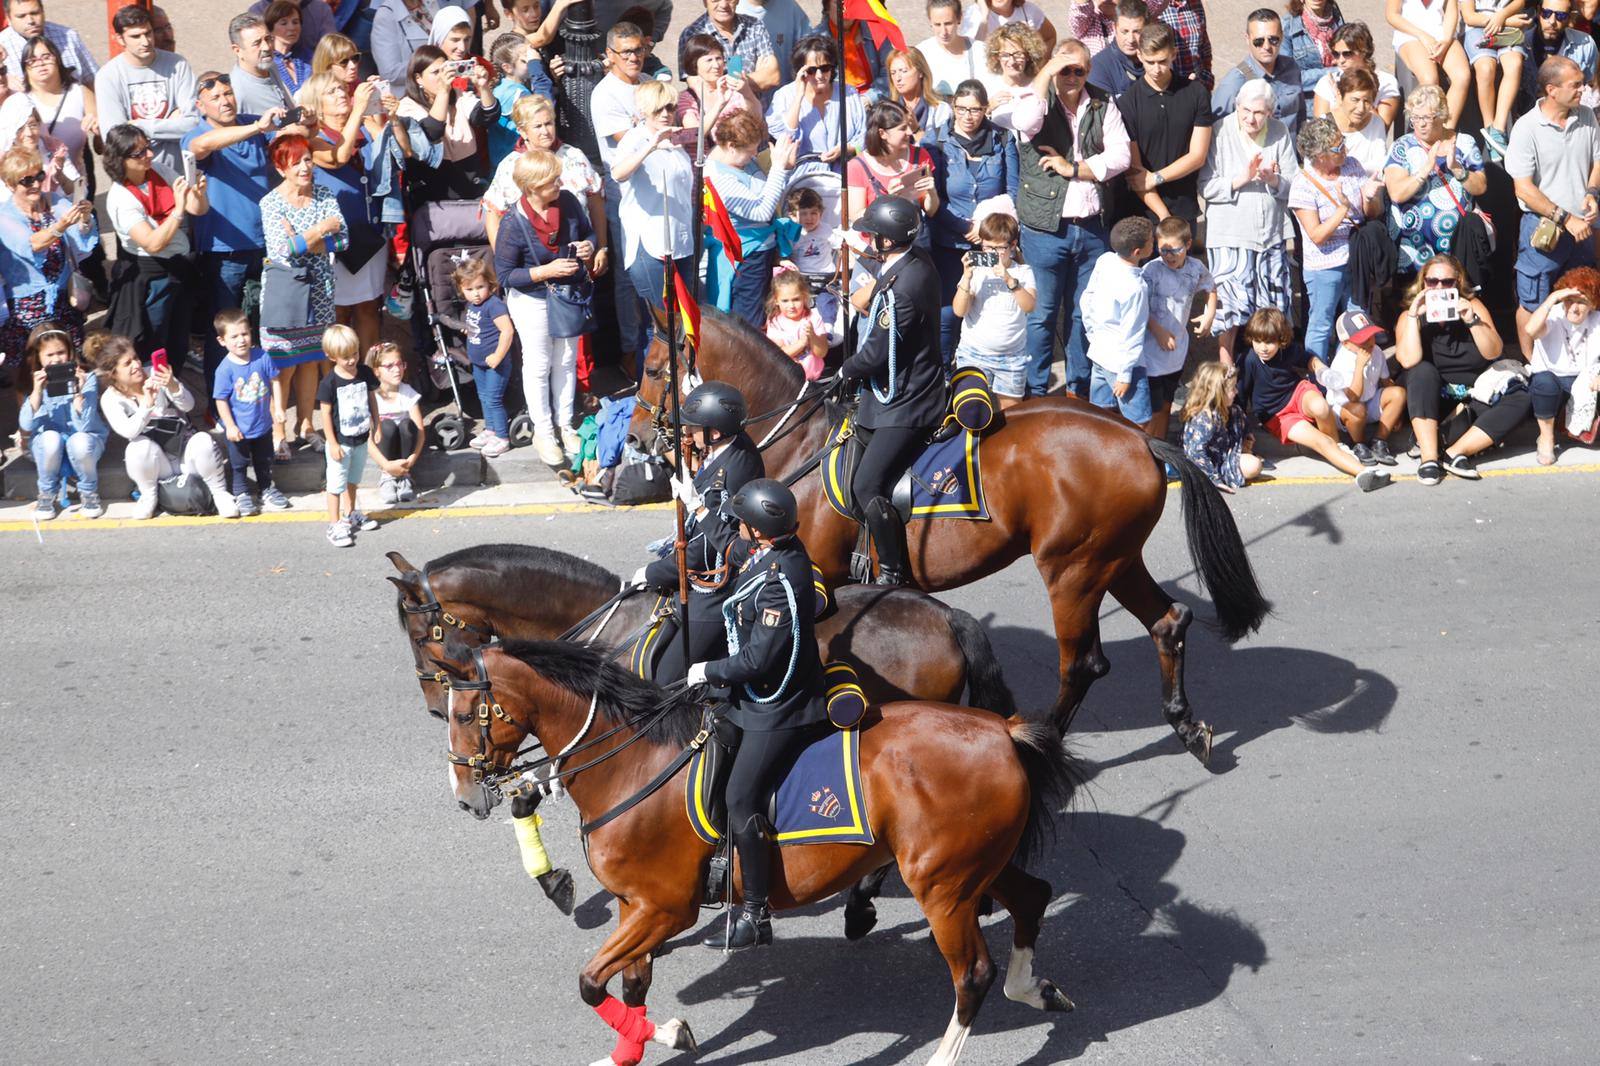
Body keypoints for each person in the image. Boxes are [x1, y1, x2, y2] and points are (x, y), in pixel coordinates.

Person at [685, 478, 826, 951]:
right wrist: (700, 512)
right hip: (751, 696)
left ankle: (756, 912)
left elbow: (758, 661)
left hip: (778, 705)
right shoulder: (771, 551)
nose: (738, 528)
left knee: (742, 796)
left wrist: (707, 669)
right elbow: (735, 546)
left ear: (760, 531)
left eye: (743, 522)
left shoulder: (778, 584)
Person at [1014, 40, 1131, 397]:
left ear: (1088, 71)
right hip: (1046, 229)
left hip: (1092, 226)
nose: (1071, 77)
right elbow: (1024, 123)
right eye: (1065, 69)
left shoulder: (1101, 101)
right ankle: (1035, 391)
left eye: (1078, 70)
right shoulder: (1035, 98)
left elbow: (1121, 155)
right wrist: (1046, 73)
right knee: (1042, 314)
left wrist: (1076, 168)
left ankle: (1077, 390)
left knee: (1084, 313)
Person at [840, 196, 946, 586]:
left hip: (908, 400)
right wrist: (862, 253)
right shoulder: (917, 260)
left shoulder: (903, 290)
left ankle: (892, 571)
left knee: (866, 484)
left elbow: (875, 354)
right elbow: (886, 273)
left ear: (888, 241)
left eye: (874, 235)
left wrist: (843, 371)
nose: (871, 239)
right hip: (898, 389)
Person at [632, 381, 765, 683]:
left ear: (714, 433)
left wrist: (654, 572)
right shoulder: (726, 448)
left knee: (665, 679)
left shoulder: (733, 471)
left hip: (717, 587)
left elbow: (708, 550)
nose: (686, 434)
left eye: (692, 428)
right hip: (705, 570)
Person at [494, 148, 597, 464]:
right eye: (552, 181)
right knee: (539, 365)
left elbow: (589, 231)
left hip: (566, 296)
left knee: (565, 360)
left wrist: (588, 246)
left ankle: (565, 424)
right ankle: (544, 430)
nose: (559, 183)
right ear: (532, 187)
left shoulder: (565, 202)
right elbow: (505, 275)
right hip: (532, 299)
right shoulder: (513, 222)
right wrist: (546, 271)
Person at [1394, 254, 1531, 482]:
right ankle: (1428, 458)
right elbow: (1407, 360)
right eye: (1432, 281)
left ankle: (1455, 452)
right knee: (1420, 371)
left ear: (1457, 283)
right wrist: (1412, 315)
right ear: (1423, 282)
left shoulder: (1473, 306)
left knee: (1521, 395)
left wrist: (1471, 320)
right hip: (1433, 400)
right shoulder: (1411, 314)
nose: (1439, 287)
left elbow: (1494, 351)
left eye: (1447, 282)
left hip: (1474, 395)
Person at [183, 72, 280, 392]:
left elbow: (290, 134)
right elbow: (201, 146)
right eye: (216, 97)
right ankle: (218, 400)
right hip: (224, 252)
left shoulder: (254, 122)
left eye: (228, 94)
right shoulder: (196, 132)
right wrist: (257, 128)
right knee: (225, 332)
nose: (225, 101)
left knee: (264, 326)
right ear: (200, 105)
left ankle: (260, 390)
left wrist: (297, 120)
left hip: (266, 243)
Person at [1235, 306, 1391, 489]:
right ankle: (1363, 473)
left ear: (1281, 340)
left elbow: (1307, 359)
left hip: (1297, 393)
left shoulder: (1288, 350)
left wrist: (1319, 367)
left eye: (1269, 342)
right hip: (1277, 414)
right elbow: (1240, 400)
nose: (1263, 347)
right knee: (1320, 441)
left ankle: (1338, 446)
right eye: (1257, 341)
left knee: (1321, 407)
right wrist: (1243, 434)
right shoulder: (1248, 360)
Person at [1199, 77, 1298, 365]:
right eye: (1246, 111)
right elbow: (1204, 186)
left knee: (1272, 312)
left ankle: (1270, 377)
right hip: (1230, 235)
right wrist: (1240, 179)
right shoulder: (1220, 131)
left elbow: (1294, 185)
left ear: (1270, 113)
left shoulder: (1279, 132)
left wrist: (1273, 180)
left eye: (1259, 113)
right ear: (1236, 106)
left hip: (1271, 235)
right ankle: (1227, 374)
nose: (1251, 119)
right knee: (1229, 313)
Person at [1506, 56, 1600, 358]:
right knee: (1532, 302)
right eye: (1575, 86)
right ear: (1551, 90)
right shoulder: (1526, 128)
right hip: (1543, 229)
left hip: (1584, 228)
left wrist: (1591, 192)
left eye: (1582, 84)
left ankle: (1574, 362)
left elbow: (1597, 160)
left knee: (1581, 298)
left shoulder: (1587, 116)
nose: (1582, 90)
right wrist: (1565, 217)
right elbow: (1524, 189)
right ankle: (1532, 365)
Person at [305, 71, 403, 358]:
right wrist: (358, 108)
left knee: (369, 306)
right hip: (337, 241)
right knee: (338, 312)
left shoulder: (365, 127)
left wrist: (388, 117)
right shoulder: (314, 138)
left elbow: (397, 156)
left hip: (370, 235)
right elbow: (339, 158)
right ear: (317, 103)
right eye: (331, 92)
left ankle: (370, 374)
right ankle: (338, 379)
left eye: (341, 90)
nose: (341, 95)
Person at [260, 133, 346, 457]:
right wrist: (321, 229)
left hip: (321, 290)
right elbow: (283, 251)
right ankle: (278, 429)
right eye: (296, 163)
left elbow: (345, 238)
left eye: (308, 160)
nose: (305, 167)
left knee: (311, 361)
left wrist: (305, 240)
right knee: (283, 364)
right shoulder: (270, 203)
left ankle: (306, 425)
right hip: (286, 291)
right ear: (281, 168)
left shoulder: (324, 193)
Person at [95, 332, 239, 520]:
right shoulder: (110, 398)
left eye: (136, 358)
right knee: (136, 448)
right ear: (113, 373)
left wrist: (172, 385)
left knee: (203, 440)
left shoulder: (155, 373)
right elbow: (128, 430)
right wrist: (146, 405)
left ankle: (220, 494)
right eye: (127, 363)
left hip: (184, 453)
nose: (137, 365)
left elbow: (189, 405)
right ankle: (148, 497)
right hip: (159, 464)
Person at [103, 124, 208, 370]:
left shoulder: (158, 170)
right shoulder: (120, 198)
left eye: (147, 148)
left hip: (178, 266)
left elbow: (198, 209)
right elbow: (153, 242)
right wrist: (179, 210)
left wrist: (198, 193)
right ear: (121, 160)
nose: (149, 155)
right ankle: (154, 400)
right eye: (139, 153)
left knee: (178, 338)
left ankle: (177, 391)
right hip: (151, 275)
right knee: (153, 341)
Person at [928, 79, 1018, 360]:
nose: (968, 116)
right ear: (953, 107)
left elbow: (1012, 191)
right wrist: (965, 226)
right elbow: (933, 198)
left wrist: (989, 231)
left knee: (990, 309)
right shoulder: (936, 141)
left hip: (993, 243)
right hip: (950, 242)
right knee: (948, 313)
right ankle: (943, 372)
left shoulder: (1004, 139)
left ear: (985, 109)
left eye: (975, 110)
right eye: (962, 109)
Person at [1288, 116, 1383, 361]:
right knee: (1322, 323)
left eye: (1343, 142)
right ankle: (1317, 381)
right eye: (1338, 147)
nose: (1345, 150)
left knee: (1358, 316)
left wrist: (1370, 198)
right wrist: (1343, 209)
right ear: (1320, 155)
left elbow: (1371, 215)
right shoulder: (1302, 186)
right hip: (1324, 268)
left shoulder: (1352, 166)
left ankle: (1359, 373)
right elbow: (1317, 235)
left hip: (1355, 260)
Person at [591, 22, 653, 365]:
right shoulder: (605, 94)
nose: (634, 57)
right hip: (623, 189)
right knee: (628, 274)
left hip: (654, 187)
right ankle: (630, 349)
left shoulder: (647, 84)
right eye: (626, 51)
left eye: (639, 49)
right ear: (610, 56)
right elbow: (625, 141)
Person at [0, 145, 95, 361]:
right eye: (26, 180)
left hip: (64, 300)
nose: (36, 184)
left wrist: (85, 218)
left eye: (39, 176)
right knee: (32, 371)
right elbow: (31, 244)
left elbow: (81, 235)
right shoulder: (4, 216)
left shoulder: (53, 200)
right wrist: (60, 226)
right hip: (27, 308)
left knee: (72, 362)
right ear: (9, 184)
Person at [1383, 84, 1489, 275]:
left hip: (1458, 246)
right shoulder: (1403, 146)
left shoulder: (1464, 142)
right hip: (1414, 248)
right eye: (1415, 117)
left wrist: (1457, 168)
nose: (1420, 124)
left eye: (1426, 118)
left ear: (1441, 116)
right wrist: (1425, 169)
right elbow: (1397, 194)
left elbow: (1480, 187)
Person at [1118, 21, 1215, 226]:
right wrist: (1164, 216)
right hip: (1142, 212)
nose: (1156, 69)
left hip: (1184, 209)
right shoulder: (1127, 103)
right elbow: (1136, 173)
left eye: (1162, 61)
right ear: (1140, 56)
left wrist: (1156, 177)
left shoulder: (1196, 93)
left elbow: (1197, 156)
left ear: (1174, 54)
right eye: (1150, 62)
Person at [705, 113, 798, 327]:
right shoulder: (719, 177)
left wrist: (785, 163)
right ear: (730, 146)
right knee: (747, 325)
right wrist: (778, 169)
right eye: (749, 151)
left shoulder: (741, 162)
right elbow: (761, 211)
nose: (755, 154)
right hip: (745, 259)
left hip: (763, 251)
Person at [484, 94, 605, 257]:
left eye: (549, 123)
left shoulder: (574, 156)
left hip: (580, 258)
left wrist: (601, 248)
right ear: (522, 131)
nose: (545, 131)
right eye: (538, 126)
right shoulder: (510, 166)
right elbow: (493, 214)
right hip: (531, 263)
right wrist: (504, 260)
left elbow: (595, 203)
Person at [614, 81, 694, 325]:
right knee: (660, 325)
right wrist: (650, 146)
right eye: (658, 109)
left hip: (680, 241)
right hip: (650, 243)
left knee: (686, 319)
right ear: (644, 111)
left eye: (669, 107)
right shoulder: (634, 139)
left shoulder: (675, 140)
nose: (665, 114)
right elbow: (618, 173)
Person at [96, 5, 199, 178]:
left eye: (148, 33)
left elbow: (194, 124)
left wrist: (139, 125)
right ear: (120, 39)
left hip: (180, 174)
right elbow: (116, 139)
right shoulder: (108, 76)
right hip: (138, 180)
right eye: (135, 36)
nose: (145, 41)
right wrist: (170, 123)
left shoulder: (178, 64)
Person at [18, 321, 105, 519]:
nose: (57, 359)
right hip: (48, 447)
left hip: (85, 443)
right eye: (50, 355)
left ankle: (89, 492)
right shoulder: (34, 381)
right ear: (38, 357)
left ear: (70, 352)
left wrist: (78, 392)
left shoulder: (87, 378)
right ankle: (47, 493)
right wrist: (37, 392)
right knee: (50, 437)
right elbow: (26, 425)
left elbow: (85, 426)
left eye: (61, 352)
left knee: (79, 440)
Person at [212, 308, 291, 517]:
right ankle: (241, 493)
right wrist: (230, 425)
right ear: (222, 341)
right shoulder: (224, 369)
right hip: (239, 428)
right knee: (238, 464)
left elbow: (275, 381)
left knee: (264, 459)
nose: (241, 340)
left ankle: (266, 488)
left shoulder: (262, 357)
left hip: (263, 424)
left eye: (245, 334)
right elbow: (220, 400)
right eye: (234, 336)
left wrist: (279, 408)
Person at [1141, 215, 1215, 439]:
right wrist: (1157, 330)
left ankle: (1160, 448)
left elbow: (1210, 287)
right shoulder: (1151, 271)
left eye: (1175, 250)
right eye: (1163, 250)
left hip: (1177, 349)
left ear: (1188, 245)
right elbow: (1140, 307)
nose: (1169, 256)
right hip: (1151, 351)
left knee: (1166, 403)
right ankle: (1147, 450)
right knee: (1151, 408)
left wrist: (1208, 314)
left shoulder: (1196, 267)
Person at [952, 209, 1037, 404]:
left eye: (998, 248)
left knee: (1012, 419)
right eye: (987, 247)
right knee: (969, 412)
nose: (991, 253)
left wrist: (1009, 279)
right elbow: (959, 311)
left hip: (1012, 358)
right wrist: (966, 276)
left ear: (1013, 245)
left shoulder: (1023, 272)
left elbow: (1029, 306)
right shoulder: (977, 272)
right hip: (972, 353)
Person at [396, 43, 500, 201]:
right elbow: (431, 132)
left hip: (470, 183)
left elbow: (487, 116)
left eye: (444, 70)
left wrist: (483, 87)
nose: (441, 77)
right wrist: (443, 91)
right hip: (434, 193)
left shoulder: (458, 95)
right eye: (435, 72)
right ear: (418, 78)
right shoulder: (406, 106)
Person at [1082, 216, 1154, 424]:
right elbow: (1133, 333)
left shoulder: (1105, 260)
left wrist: (1093, 336)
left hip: (1099, 353)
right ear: (1137, 252)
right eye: (1151, 241)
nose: (1154, 243)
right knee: (1139, 423)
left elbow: (1086, 300)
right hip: (1124, 364)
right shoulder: (1136, 288)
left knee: (1101, 418)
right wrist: (1124, 376)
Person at [1523, 267, 1600, 463]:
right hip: (1553, 378)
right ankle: (1546, 438)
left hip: (1583, 380)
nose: (1574, 308)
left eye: (1582, 302)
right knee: (1544, 383)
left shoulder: (1597, 320)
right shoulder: (1554, 313)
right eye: (1570, 300)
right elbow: (1530, 330)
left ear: (1593, 304)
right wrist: (1552, 300)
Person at [317, 323, 382, 547]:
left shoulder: (364, 372)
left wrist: (377, 425)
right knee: (335, 485)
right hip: (341, 443)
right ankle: (334, 524)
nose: (352, 360)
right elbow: (325, 414)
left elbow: (372, 399)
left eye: (355, 353)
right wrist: (332, 442)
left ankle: (351, 513)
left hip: (361, 437)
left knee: (353, 480)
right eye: (345, 357)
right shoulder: (329, 383)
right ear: (331, 356)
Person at [1322, 308, 1406, 464]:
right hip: (1345, 409)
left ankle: (1379, 441)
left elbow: (1386, 382)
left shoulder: (1377, 352)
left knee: (1398, 393)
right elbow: (1353, 397)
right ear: (1346, 344)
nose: (1369, 342)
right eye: (1362, 339)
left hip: (1370, 401)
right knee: (1358, 409)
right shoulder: (1342, 362)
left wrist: (1396, 414)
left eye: (1371, 336)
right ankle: (1359, 444)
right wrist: (1359, 366)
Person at [847, 101, 941, 237]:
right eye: (902, 128)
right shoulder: (857, 166)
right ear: (882, 133)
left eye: (908, 126)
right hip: (877, 247)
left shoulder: (920, 156)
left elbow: (931, 211)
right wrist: (887, 200)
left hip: (914, 244)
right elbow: (856, 217)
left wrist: (932, 193)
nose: (909, 132)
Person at [455, 255, 515, 458]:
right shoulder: (472, 306)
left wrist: (498, 356)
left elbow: (507, 331)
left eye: (480, 287)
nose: (476, 294)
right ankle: (490, 430)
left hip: (494, 364)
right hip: (479, 363)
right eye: (469, 290)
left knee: (494, 399)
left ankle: (502, 437)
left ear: (489, 284)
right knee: (483, 397)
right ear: (462, 290)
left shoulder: (494, 305)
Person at [18, 35, 98, 187]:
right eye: (32, 60)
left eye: (46, 56)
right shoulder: (21, 102)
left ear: (58, 59)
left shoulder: (79, 92)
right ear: (25, 68)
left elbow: (101, 147)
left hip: (73, 185)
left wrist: (99, 130)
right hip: (34, 187)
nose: (40, 63)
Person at [1212, 8, 1304, 135]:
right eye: (1258, 41)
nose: (1266, 47)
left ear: (1282, 37)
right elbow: (1217, 134)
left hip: (1291, 152)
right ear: (1247, 39)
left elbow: (1301, 117)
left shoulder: (1291, 69)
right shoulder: (1233, 84)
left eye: (1273, 39)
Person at [1461, 0, 1532, 159]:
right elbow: (1469, 16)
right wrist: (1500, 20)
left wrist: (1503, 17)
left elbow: (1519, 3)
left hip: (1508, 27)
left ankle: (1498, 129)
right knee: (1486, 68)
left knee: (1514, 64)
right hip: (1479, 27)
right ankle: (1489, 126)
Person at [1387, 0, 1472, 131]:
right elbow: (1392, 15)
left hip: (1440, 32)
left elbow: (1451, 10)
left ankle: (1445, 131)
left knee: (1462, 76)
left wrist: (1447, 39)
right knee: (1429, 79)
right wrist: (1422, 35)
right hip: (1410, 32)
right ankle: (1428, 131)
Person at [1180, 360, 1263, 491]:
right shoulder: (1205, 419)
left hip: (1225, 453)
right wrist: (1214, 480)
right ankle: (1213, 477)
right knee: (1254, 465)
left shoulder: (1232, 409)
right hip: (1209, 464)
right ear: (1217, 392)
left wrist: (1247, 436)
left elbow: (1242, 423)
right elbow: (1195, 452)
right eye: (1232, 388)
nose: (1236, 391)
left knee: (1254, 463)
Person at [678, 0, 781, 98]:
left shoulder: (755, 27)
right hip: (715, 113)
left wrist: (717, 83)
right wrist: (748, 81)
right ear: (705, 2)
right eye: (716, 0)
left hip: (753, 113)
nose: (723, 5)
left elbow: (773, 77)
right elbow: (697, 86)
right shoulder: (691, 34)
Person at [676, 32, 762, 147]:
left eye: (718, 58)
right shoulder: (687, 98)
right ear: (694, 65)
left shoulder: (734, 92)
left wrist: (746, 92)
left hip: (735, 158)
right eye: (709, 60)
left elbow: (757, 118)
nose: (716, 65)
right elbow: (693, 135)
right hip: (704, 162)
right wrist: (720, 104)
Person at [1310, 22, 1402, 128]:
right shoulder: (1327, 83)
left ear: (1363, 51)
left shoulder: (1386, 82)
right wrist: (1341, 103)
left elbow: (1382, 129)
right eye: (1336, 54)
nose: (1340, 60)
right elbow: (1321, 131)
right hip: (1336, 143)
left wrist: (1366, 97)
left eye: (1347, 54)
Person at [368, 340, 427, 503]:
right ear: (376, 371)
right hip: (384, 451)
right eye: (389, 366)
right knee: (386, 426)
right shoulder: (372, 396)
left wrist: (411, 461)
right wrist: (386, 465)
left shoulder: (407, 393)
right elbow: (368, 438)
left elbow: (420, 431)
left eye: (400, 364)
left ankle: (404, 476)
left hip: (405, 452)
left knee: (407, 425)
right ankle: (387, 477)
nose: (397, 370)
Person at [0, 0, 98, 90]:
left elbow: (92, 80)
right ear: (8, 18)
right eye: (21, 16)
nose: (30, 21)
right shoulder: (2, 45)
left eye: (35, 13)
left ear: (43, 11)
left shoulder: (68, 36)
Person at [0, 94, 78, 197]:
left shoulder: (54, 148)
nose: (29, 133)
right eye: (20, 128)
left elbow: (78, 191)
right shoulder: (4, 161)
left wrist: (60, 176)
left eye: (32, 125)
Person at [1523, 0, 1597, 102]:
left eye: (1560, 16)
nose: (1552, 21)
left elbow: (1592, 88)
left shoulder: (1585, 44)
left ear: (1570, 17)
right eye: (1546, 13)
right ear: (1539, 11)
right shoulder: (1521, 44)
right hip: (1525, 112)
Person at [229, 13, 298, 119]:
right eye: (257, 43)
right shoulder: (237, 93)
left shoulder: (270, 66)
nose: (266, 47)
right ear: (237, 50)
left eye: (268, 39)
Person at [766, 269, 830, 378]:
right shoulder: (775, 323)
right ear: (776, 300)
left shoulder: (813, 318)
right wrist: (801, 343)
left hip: (813, 379)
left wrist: (812, 336)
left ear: (804, 297)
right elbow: (777, 355)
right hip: (787, 380)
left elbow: (822, 352)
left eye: (796, 300)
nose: (791, 306)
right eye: (785, 301)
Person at [983, 21, 1048, 130]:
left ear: (1028, 55)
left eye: (1018, 54)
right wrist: (988, 108)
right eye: (1005, 55)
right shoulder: (988, 85)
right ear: (996, 56)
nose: (1012, 61)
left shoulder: (1039, 85)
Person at [918, 0, 990, 96]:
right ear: (930, 21)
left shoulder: (979, 50)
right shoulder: (921, 53)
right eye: (937, 24)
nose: (943, 31)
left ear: (959, 18)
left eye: (948, 23)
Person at [1282, 0, 1345, 107]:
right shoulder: (1287, 26)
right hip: (1307, 106)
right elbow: (1289, 78)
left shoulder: (1336, 18)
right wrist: (1337, 73)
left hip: (1339, 98)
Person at [1329, 67, 1389, 177]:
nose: (1361, 108)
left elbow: (1380, 165)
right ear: (1339, 95)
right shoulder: (1324, 125)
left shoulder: (1376, 123)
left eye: (1366, 101)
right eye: (1355, 100)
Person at [737, 0, 812, 85]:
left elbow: (809, 51)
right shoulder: (731, 10)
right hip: (744, 96)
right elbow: (731, 77)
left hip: (785, 94)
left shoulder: (790, 7)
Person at [887, 48, 951, 140]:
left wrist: (916, 130)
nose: (897, 78)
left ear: (920, 72)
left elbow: (943, 149)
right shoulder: (888, 111)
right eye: (893, 73)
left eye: (904, 71)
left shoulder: (940, 110)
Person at [1088, 0, 1148, 98]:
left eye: (1137, 32)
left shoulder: (1157, 61)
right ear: (1114, 28)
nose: (1131, 39)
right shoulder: (1098, 67)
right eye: (1125, 31)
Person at [964, 0, 1059, 52]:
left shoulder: (1029, 10)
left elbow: (1050, 37)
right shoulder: (975, 13)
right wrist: (985, 16)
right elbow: (972, 52)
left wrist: (1038, 67)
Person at [265, 1, 314, 99]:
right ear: (270, 28)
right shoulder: (266, 62)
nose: (292, 28)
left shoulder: (309, 57)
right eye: (284, 23)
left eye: (295, 22)